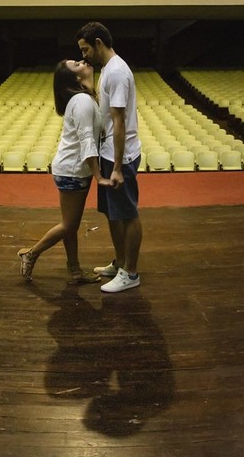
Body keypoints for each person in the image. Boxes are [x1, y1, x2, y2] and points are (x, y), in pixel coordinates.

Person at [17, 59, 104, 284]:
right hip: (73, 170)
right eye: (77, 64)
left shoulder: (84, 98)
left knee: (70, 224)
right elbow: (86, 139)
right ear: (76, 77)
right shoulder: (82, 101)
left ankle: (75, 270)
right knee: (69, 225)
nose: (83, 61)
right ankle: (31, 253)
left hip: (73, 169)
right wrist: (98, 175)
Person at [76, 21, 143, 293]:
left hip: (120, 158)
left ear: (98, 43)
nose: (83, 56)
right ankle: (121, 263)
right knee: (114, 214)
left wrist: (116, 167)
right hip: (108, 154)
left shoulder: (116, 72)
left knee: (128, 214)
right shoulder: (107, 70)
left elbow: (118, 122)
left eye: (85, 49)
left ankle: (131, 273)